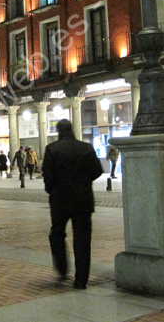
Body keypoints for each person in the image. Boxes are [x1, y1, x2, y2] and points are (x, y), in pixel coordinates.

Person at [42, 119, 103, 290]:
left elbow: (47, 174)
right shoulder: (86, 148)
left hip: (60, 200)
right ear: (72, 129)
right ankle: (81, 280)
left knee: (57, 234)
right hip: (83, 200)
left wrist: (52, 189)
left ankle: (62, 270)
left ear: (59, 131)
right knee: (82, 239)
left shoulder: (52, 149)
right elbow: (97, 171)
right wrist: (83, 182)